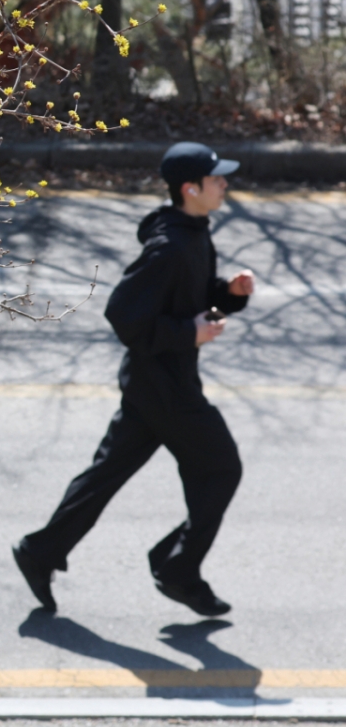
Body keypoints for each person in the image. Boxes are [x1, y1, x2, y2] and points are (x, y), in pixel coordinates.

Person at [13, 142, 255, 617]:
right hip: (166, 388)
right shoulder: (170, 247)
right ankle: (177, 568)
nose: (225, 184)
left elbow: (185, 300)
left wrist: (226, 294)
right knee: (221, 467)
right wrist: (190, 332)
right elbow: (124, 314)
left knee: (106, 474)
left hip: (155, 381)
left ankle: (40, 552)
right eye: (217, 179)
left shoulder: (192, 232)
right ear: (191, 189)